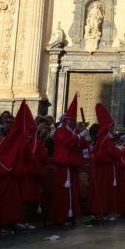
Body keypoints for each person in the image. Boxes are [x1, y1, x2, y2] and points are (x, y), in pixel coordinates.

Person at [0, 102, 30, 235]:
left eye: (13, 123)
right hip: (8, 177)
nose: (11, 125)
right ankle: (5, 226)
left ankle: (9, 225)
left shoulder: (9, 142)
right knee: (6, 203)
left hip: (12, 177)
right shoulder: (3, 141)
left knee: (11, 204)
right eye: (8, 123)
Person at [50, 95, 88, 225]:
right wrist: (79, 137)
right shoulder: (60, 131)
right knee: (64, 191)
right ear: (65, 120)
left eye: (73, 119)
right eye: (69, 120)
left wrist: (85, 140)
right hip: (64, 165)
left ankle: (71, 215)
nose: (71, 122)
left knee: (73, 190)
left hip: (72, 165)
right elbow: (67, 142)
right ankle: (62, 216)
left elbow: (79, 144)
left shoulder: (74, 131)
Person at [88, 103, 119, 223]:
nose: (113, 129)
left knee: (101, 189)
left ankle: (97, 212)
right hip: (106, 169)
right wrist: (119, 152)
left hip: (102, 169)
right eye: (112, 127)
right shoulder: (107, 140)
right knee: (104, 190)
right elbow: (112, 153)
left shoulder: (103, 139)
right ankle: (103, 212)